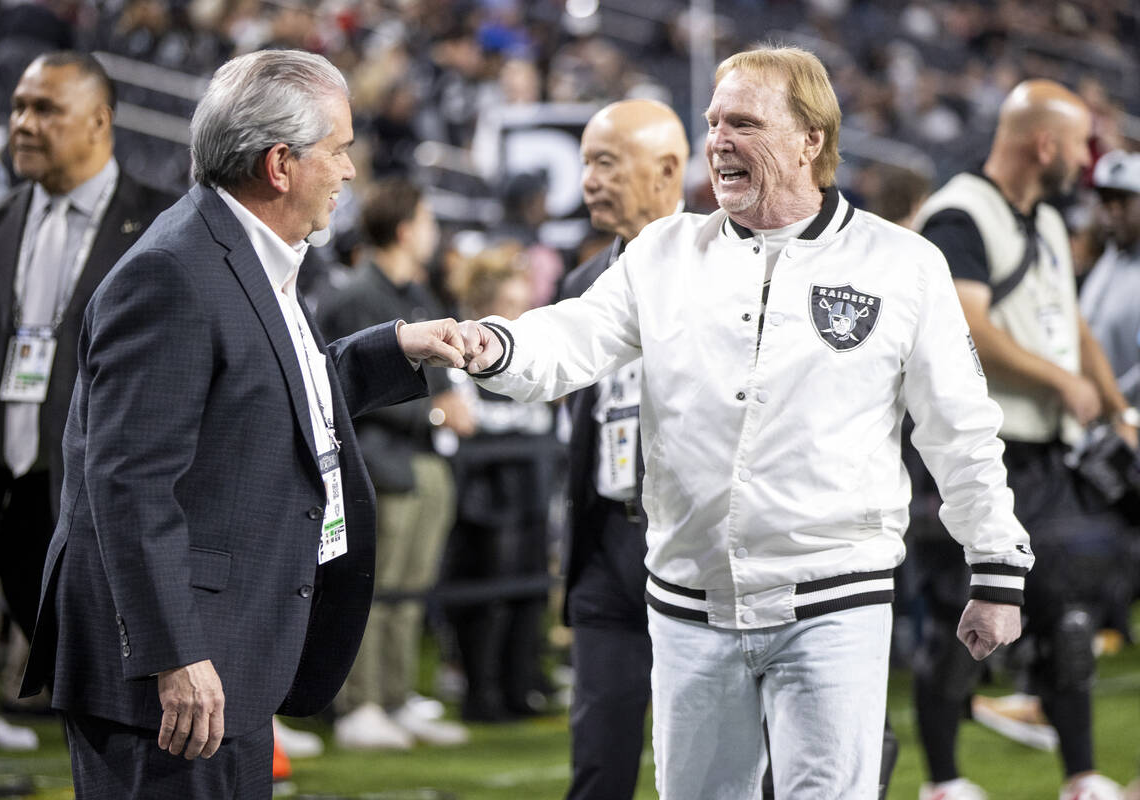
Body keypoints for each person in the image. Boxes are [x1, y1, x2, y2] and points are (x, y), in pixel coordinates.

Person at [457, 45, 1031, 800]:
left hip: (834, 597)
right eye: (713, 123)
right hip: (689, 604)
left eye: (745, 124)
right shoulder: (663, 252)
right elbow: (571, 337)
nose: (719, 141)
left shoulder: (902, 264)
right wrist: (495, 344)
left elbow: (959, 429)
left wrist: (996, 566)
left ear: (810, 140)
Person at [18, 49, 470, 799]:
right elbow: (129, 484)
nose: (350, 170)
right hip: (170, 677)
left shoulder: (243, 250)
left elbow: (267, 392)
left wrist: (392, 350)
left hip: (227, 652)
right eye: (338, 149)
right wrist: (174, 654)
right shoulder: (173, 272)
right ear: (280, 165)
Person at [913, 80, 1135, 800]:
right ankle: (944, 781)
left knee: (1069, 616)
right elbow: (968, 324)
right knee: (961, 620)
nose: (1083, 160)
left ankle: (1082, 775)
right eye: (1076, 145)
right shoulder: (959, 214)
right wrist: (1057, 381)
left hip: (1044, 458)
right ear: (1044, 145)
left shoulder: (1044, 221)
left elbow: (1071, 323)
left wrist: (1115, 409)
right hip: (977, 456)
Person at [0, 51, 177, 641]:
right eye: (18, 107)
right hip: (12, 508)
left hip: (120, 518)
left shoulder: (170, 227)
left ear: (100, 120)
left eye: (46, 109)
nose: (23, 124)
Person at [557, 98, 687, 800]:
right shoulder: (581, 283)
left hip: (694, 545)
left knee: (712, 758)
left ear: (667, 169)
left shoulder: (728, 274)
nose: (589, 181)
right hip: (607, 544)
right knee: (599, 755)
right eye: (586, 163)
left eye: (606, 163)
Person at [317, 177, 472, 750]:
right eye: (427, 221)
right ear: (405, 229)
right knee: (373, 592)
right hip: (379, 464)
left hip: (424, 462)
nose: (434, 233)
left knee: (410, 593)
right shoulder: (356, 295)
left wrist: (442, 409)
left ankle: (396, 696)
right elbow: (343, 389)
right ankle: (357, 704)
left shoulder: (416, 291)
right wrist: (434, 413)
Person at [442, 243, 555, 724]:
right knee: (486, 595)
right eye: (509, 304)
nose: (518, 314)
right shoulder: (458, 346)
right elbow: (468, 418)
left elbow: (543, 412)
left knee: (530, 589)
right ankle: (481, 692)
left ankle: (521, 685)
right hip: (484, 494)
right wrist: (524, 417)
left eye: (522, 304)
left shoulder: (530, 347)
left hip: (528, 486)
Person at [1080, 149, 1140, 408]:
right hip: (1098, 419)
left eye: (1123, 200)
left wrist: (1111, 403)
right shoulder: (1109, 259)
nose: (1112, 211)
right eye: (1105, 200)